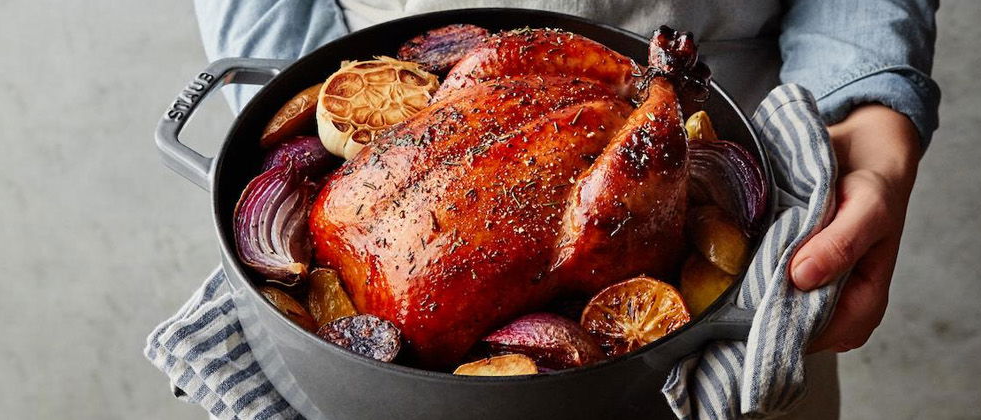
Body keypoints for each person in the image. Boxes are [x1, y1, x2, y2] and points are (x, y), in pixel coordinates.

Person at [193, 0, 938, 417]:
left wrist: (864, 117)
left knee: (596, 224)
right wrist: (302, 91)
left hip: (742, 171)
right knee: (585, 212)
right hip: (424, 92)